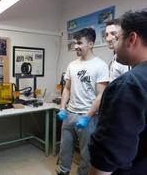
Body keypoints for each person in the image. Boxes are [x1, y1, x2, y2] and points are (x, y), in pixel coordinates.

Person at [89, 9, 147, 175]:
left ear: (131, 39)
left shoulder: (127, 85)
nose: (113, 42)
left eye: (117, 37)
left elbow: (107, 157)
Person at [56, 28, 109, 175]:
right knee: (64, 150)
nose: (76, 46)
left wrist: (87, 116)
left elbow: (101, 95)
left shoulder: (100, 65)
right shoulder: (72, 65)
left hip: (88, 117)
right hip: (69, 114)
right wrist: (62, 108)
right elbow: (66, 89)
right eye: (75, 43)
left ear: (91, 44)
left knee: (86, 155)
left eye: (80, 43)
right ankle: (63, 171)